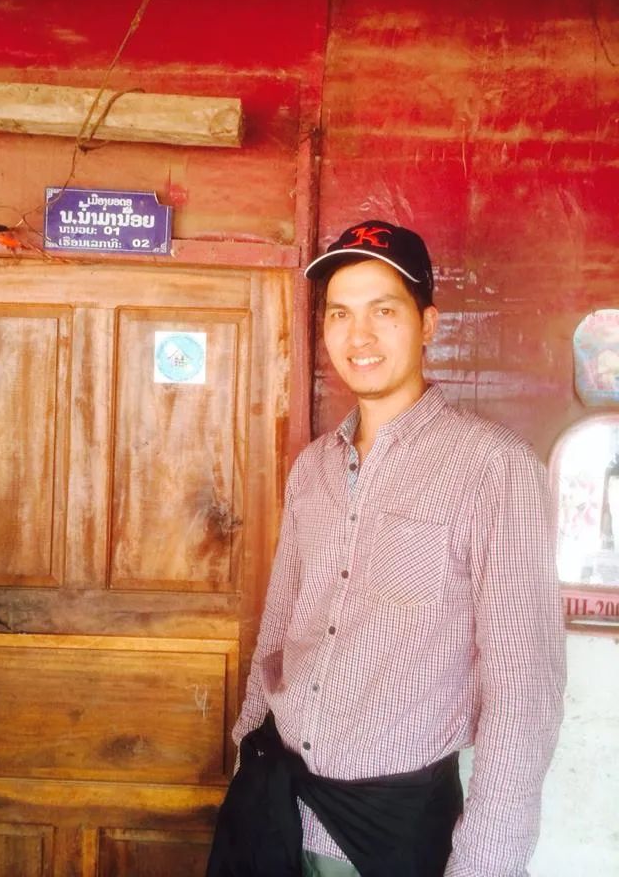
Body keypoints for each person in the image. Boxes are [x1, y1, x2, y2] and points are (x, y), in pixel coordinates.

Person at [228, 220, 566, 877]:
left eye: (383, 311)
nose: (359, 336)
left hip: (395, 831)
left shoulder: (495, 469)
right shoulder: (313, 468)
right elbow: (280, 629)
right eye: (340, 314)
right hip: (275, 810)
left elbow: (523, 687)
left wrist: (487, 862)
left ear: (428, 324)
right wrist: (247, 749)